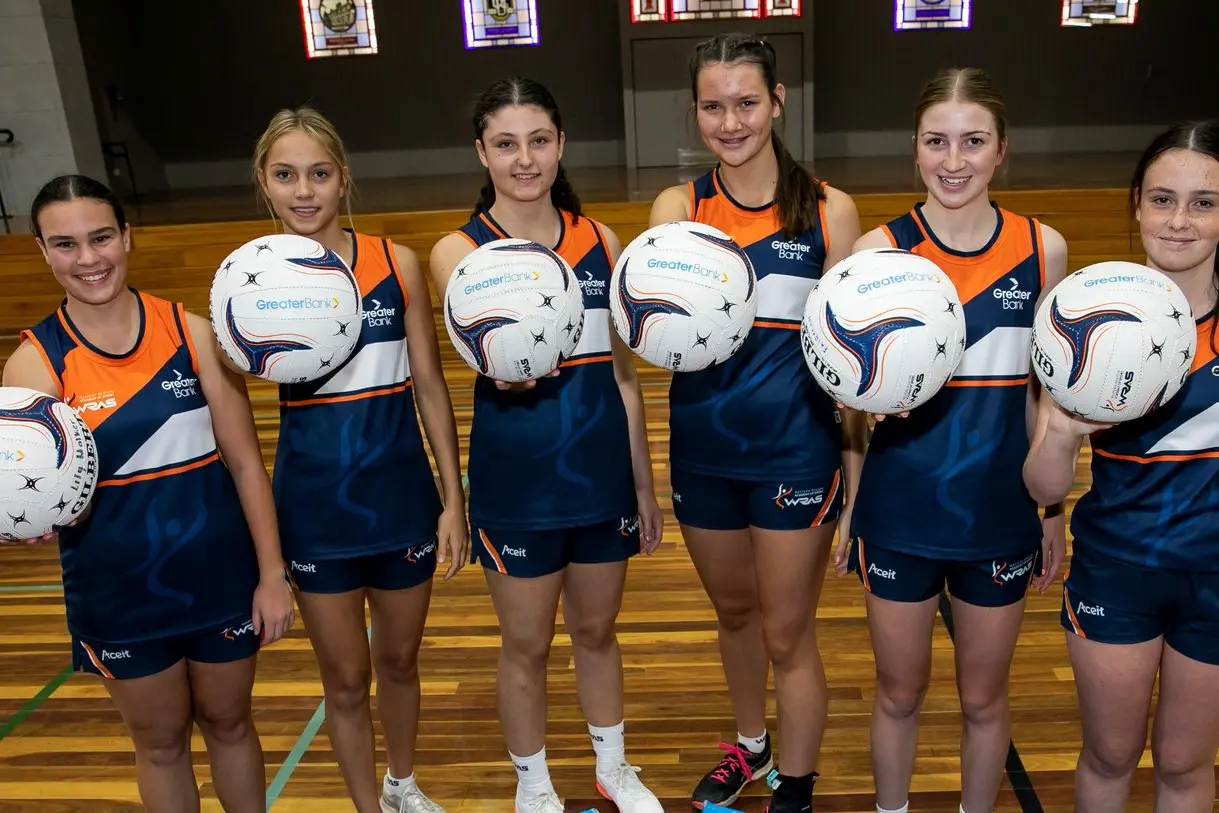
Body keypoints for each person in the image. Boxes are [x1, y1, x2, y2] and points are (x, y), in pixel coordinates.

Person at [2, 174, 295, 813]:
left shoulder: (188, 331)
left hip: (219, 575)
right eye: (66, 244)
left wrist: (272, 574)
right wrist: (26, 518)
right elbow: (24, 488)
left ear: (127, 237)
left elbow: (246, 463)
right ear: (43, 252)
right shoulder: (34, 364)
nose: (89, 259)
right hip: (118, 592)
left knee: (230, 724)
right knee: (160, 743)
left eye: (101, 237)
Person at [428, 77, 665, 813]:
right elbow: (493, 364)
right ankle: (533, 785)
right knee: (525, 644)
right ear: (481, 151)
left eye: (538, 141)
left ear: (561, 145)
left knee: (597, 630)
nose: (523, 159)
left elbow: (623, 375)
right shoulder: (456, 253)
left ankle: (612, 768)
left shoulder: (603, 242)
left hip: (598, 474)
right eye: (505, 144)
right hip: (516, 479)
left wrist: (644, 482)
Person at [836, 67, 1068, 813]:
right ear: (914, 149)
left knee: (981, 696)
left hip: (997, 509)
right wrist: (851, 501)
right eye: (936, 141)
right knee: (898, 691)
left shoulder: (1042, 248)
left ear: (1001, 150)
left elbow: (1045, 393)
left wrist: (1052, 509)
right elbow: (847, 387)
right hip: (901, 507)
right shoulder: (881, 247)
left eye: (972, 141)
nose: (953, 159)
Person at [647, 33, 865, 813]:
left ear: (776, 101)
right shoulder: (678, 209)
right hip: (702, 450)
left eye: (745, 102)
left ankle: (796, 787)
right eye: (713, 105)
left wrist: (857, 481)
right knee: (733, 614)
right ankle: (751, 745)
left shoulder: (829, 210)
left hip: (794, 454)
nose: (729, 120)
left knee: (785, 632)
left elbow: (852, 362)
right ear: (695, 111)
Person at [252, 107, 467, 813]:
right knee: (344, 678)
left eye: (318, 172)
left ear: (343, 179)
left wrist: (452, 499)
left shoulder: (394, 263)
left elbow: (430, 387)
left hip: (401, 498)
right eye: (285, 175)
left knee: (399, 661)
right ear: (264, 183)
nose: (303, 190)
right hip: (314, 511)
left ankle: (402, 784)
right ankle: (366, 807)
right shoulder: (249, 283)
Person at [1024, 119, 1219, 813]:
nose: (1178, 220)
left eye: (1203, 202)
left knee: (1185, 762)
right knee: (1109, 755)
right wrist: (1063, 433)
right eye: (1162, 198)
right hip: (1117, 568)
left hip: (1214, 578)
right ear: (1135, 203)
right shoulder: (1084, 316)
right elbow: (1043, 487)